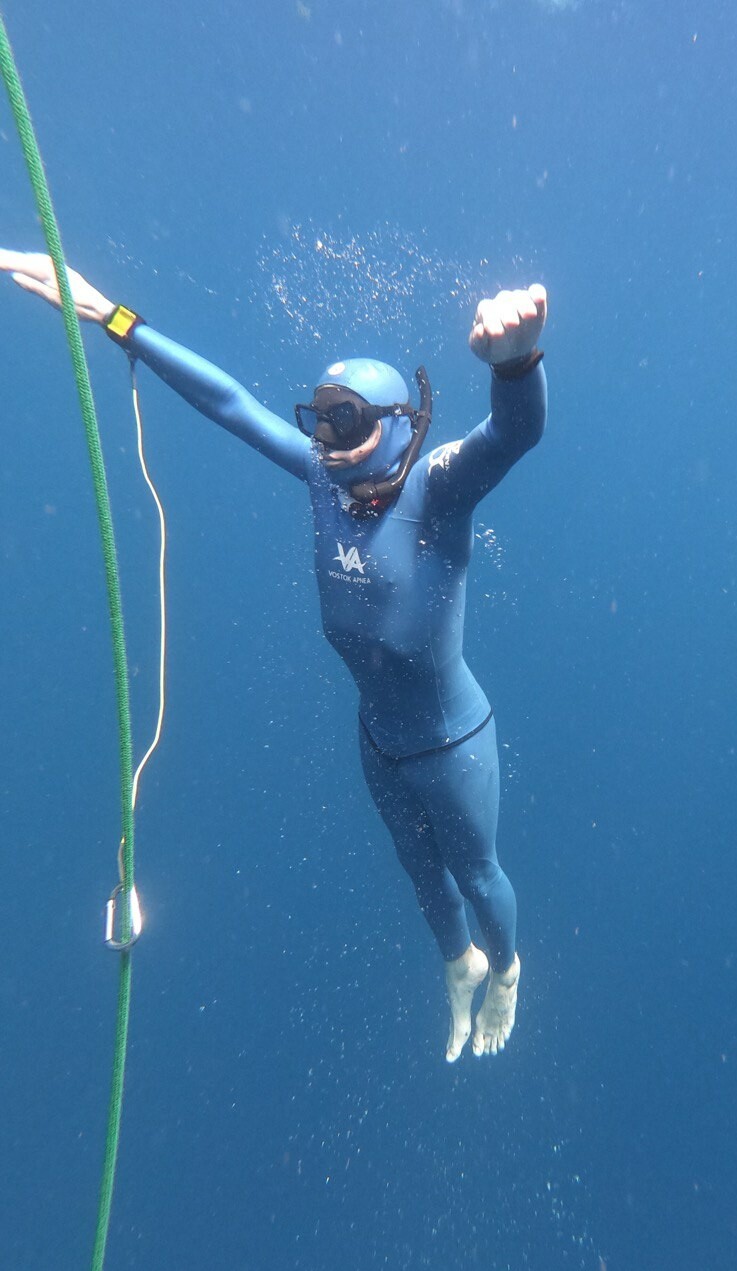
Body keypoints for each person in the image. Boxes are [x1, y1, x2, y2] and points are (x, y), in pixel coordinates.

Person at [0, 249, 547, 1062]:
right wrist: (114, 317)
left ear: (402, 422)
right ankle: (457, 962)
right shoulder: (323, 479)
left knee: (476, 875)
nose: (327, 442)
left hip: (451, 747)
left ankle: (504, 968)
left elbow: (514, 434)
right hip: (380, 743)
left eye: (348, 422)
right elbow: (228, 402)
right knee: (421, 877)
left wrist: (518, 365)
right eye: (319, 420)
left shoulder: (440, 489)